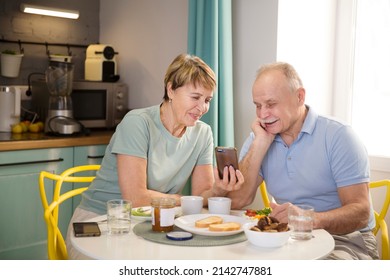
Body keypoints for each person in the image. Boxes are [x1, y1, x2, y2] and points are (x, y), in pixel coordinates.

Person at [66, 53, 244, 259]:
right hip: (100, 221)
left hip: (152, 222)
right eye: (195, 97)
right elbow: (136, 198)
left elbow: (202, 196)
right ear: (170, 89)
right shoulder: (137, 123)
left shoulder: (203, 133)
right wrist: (186, 200)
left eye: (207, 100)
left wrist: (217, 189)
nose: (202, 107)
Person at [228, 62, 379, 260]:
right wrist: (260, 144)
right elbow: (238, 200)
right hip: (288, 238)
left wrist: (309, 219)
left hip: (347, 239)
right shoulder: (260, 137)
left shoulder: (338, 136)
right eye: (258, 106)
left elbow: (360, 212)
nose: (263, 115)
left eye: (271, 104)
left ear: (299, 97)